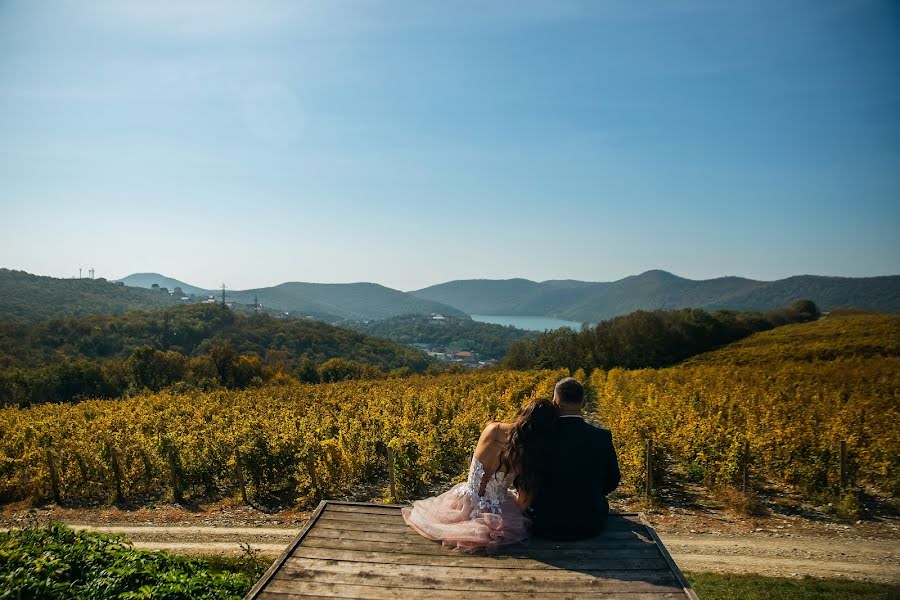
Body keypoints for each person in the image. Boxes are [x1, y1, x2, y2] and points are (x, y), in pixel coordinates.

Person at [401, 398, 557, 553]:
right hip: (495, 513)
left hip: (463, 502)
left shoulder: (493, 429)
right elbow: (523, 503)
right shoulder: (528, 457)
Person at [527, 377, 620, 541]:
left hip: (543, 524)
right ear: (584, 403)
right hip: (589, 524)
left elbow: (524, 480)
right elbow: (612, 480)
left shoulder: (538, 435)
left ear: (554, 403)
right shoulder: (601, 437)